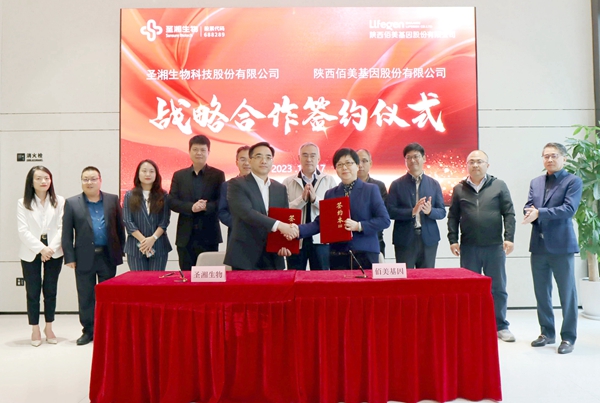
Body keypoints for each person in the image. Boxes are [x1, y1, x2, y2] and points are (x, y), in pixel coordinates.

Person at [447, 150, 516, 342]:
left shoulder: (499, 185)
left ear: (487, 165)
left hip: (494, 246)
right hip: (469, 247)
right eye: (472, 162)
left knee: (498, 288)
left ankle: (501, 326)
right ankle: (470, 325)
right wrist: (453, 240)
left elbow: (509, 213)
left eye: (479, 161)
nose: (475, 165)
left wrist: (509, 237)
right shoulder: (459, 188)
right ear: (467, 165)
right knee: (469, 289)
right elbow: (453, 216)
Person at [523, 142, 582, 355]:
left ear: (564, 158)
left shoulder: (572, 181)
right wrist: (529, 211)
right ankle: (547, 333)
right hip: (538, 246)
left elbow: (568, 209)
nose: (549, 159)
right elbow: (529, 205)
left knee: (567, 294)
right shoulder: (536, 182)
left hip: (562, 246)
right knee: (542, 293)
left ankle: (568, 337)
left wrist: (539, 212)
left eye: (554, 156)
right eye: (546, 156)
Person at [62, 166, 125, 346]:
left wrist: (120, 250)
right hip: (83, 257)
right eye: (85, 179)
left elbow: (119, 228)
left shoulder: (112, 200)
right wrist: (70, 257)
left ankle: (107, 330)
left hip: (107, 256)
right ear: (81, 181)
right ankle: (88, 331)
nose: (89, 182)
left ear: (100, 180)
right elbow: (66, 233)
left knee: (107, 296)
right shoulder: (72, 203)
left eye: (93, 178)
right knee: (86, 296)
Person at [298, 148, 390, 269]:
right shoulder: (330, 194)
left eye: (348, 163)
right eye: (339, 165)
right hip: (338, 255)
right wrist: (297, 230)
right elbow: (322, 222)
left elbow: (384, 220)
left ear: (357, 166)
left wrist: (358, 226)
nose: (344, 168)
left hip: (365, 254)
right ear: (336, 169)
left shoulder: (371, 189)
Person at [224, 142, 298, 270]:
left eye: (268, 157)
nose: (264, 161)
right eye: (259, 156)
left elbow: (284, 217)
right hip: (244, 255)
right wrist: (280, 226)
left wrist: (284, 245)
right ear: (250, 160)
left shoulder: (280, 188)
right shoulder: (237, 184)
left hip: (273, 256)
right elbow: (247, 213)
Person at [17, 166, 65, 347]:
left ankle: (49, 327)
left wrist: (50, 249)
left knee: (51, 290)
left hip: (54, 250)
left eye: (46, 178)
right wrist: (41, 249)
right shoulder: (23, 203)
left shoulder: (59, 201)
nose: (43, 181)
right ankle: (35, 328)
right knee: (33, 291)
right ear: (31, 182)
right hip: (31, 251)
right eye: (38, 178)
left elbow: (62, 227)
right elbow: (23, 231)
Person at [169, 135, 225, 270]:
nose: (199, 153)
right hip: (185, 237)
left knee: (209, 276)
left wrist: (206, 206)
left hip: (209, 235)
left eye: (202, 150)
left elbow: (222, 201)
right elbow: (171, 201)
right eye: (195, 149)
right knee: (187, 277)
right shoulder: (179, 175)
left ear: (208, 152)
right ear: (189, 151)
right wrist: (191, 207)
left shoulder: (218, 175)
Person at [387, 143, 446, 268]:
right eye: (408, 158)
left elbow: (442, 212)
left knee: (427, 277)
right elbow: (390, 211)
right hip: (404, 239)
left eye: (416, 156)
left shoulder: (434, 184)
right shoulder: (396, 184)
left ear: (424, 158)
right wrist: (412, 212)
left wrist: (430, 211)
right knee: (405, 277)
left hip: (429, 240)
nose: (412, 160)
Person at [282, 142, 337, 270]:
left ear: (319, 158)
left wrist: (315, 200)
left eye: (313, 155)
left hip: (321, 238)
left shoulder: (329, 180)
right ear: (299, 158)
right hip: (295, 237)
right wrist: (301, 200)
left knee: (321, 278)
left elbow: (333, 210)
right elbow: (284, 211)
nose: (309, 159)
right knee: (294, 275)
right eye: (305, 155)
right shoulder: (288, 182)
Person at [123, 160, 172, 271]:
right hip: (136, 247)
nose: (148, 174)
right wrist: (144, 241)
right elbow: (127, 221)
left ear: (156, 174)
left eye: (151, 171)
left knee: (156, 280)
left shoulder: (164, 195)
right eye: (144, 171)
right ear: (138, 174)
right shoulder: (129, 195)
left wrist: (153, 239)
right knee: (138, 281)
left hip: (159, 245)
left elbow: (164, 221)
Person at [357, 148, 388, 256]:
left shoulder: (379, 186)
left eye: (364, 161)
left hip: (375, 240)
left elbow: (381, 215)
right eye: (357, 161)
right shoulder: (345, 187)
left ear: (371, 164)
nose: (360, 165)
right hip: (353, 243)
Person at [218, 145, 251, 243]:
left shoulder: (263, 185)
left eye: (249, 159)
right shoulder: (227, 185)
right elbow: (222, 212)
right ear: (237, 162)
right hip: (235, 236)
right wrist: (238, 224)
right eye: (242, 159)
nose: (246, 163)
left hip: (259, 236)